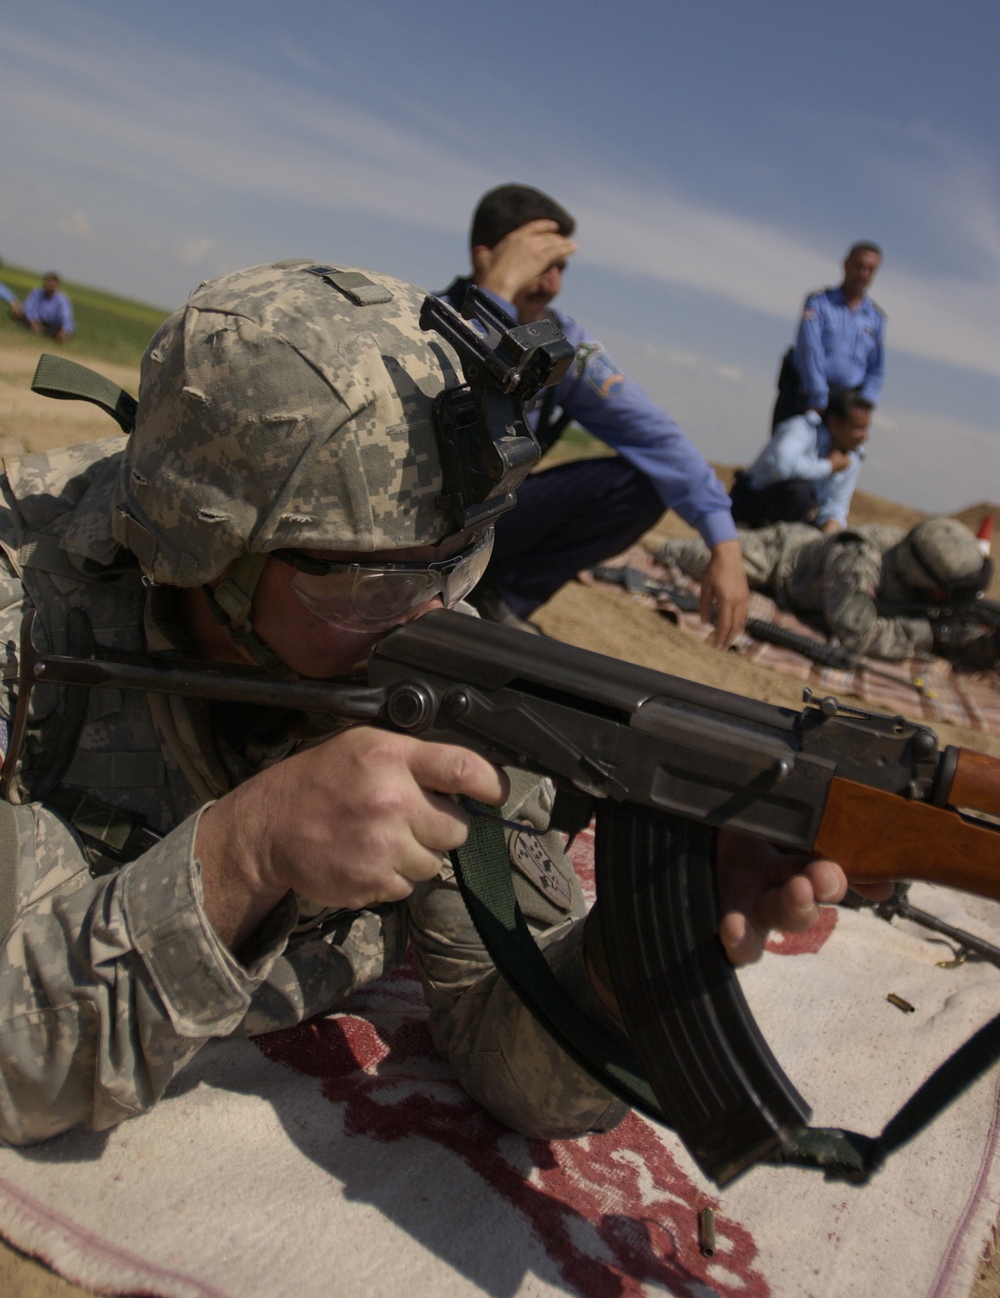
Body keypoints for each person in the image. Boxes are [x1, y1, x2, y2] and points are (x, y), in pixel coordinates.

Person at [0, 259, 855, 1148]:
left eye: (463, 560)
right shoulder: (25, 610)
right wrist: (245, 853)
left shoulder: (433, 660)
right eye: (376, 585)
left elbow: (513, 1057)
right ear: (210, 552)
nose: (434, 618)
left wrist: (626, 962)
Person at [440, 184, 749, 648]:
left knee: (641, 482)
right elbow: (439, 393)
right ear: (484, 258)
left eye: (560, 267)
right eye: (538, 264)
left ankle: (499, 599)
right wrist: (496, 297)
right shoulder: (426, 321)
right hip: (421, 516)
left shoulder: (558, 341)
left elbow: (651, 433)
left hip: (495, 517)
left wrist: (723, 542)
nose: (552, 285)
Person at [656, 515, 996, 665]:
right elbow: (858, 633)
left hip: (811, 570)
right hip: (779, 561)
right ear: (924, 578)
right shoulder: (858, 561)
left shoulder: (908, 569)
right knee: (691, 555)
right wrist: (935, 635)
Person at [772, 243, 885, 430]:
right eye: (859, 266)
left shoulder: (875, 319)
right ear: (846, 265)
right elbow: (810, 348)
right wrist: (818, 396)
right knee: (785, 454)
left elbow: (876, 369)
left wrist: (861, 406)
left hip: (844, 408)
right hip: (804, 396)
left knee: (836, 459)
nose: (863, 274)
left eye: (870, 270)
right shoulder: (819, 303)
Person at [730, 389, 873, 533]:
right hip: (751, 503)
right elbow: (782, 467)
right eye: (858, 428)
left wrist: (826, 542)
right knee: (800, 492)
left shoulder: (852, 457)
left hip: (795, 517)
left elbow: (835, 507)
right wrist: (828, 466)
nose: (864, 436)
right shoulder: (802, 429)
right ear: (835, 423)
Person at [9, 271, 74, 343]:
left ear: (57, 285)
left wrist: (64, 330)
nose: (50, 285)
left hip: (51, 325)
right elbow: (28, 307)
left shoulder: (62, 299)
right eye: (48, 282)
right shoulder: (36, 293)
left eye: (53, 283)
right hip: (35, 321)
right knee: (17, 311)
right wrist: (33, 321)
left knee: (61, 332)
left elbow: (65, 316)